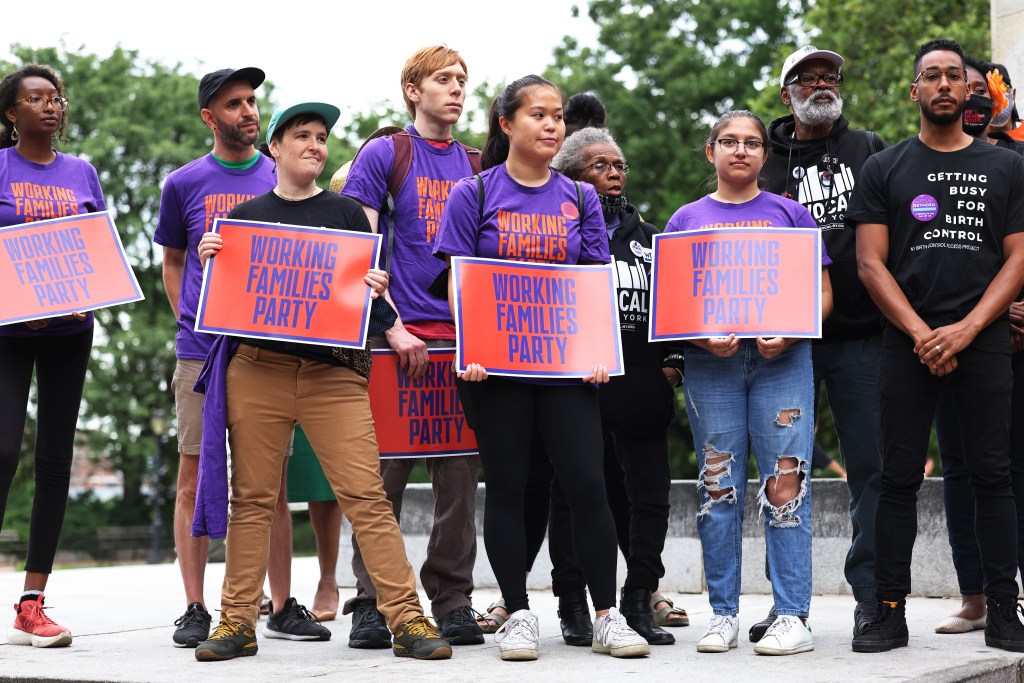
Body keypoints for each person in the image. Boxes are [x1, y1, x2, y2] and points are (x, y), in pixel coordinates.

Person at [191, 101, 451, 662]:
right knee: (253, 499)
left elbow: (363, 304)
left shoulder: (347, 216)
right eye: (302, 135)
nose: (314, 144)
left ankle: (406, 617)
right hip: (258, 370)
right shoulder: (242, 217)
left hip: (333, 375)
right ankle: (235, 622)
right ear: (276, 149)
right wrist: (213, 260)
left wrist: (378, 294)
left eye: (322, 137)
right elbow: (220, 305)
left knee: (366, 496)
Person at [432, 74, 649, 662]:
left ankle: (608, 615)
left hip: (565, 370)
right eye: (538, 115)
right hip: (494, 373)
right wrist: (468, 350)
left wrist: (600, 353)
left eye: (557, 116)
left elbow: (593, 286)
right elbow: (458, 283)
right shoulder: (472, 195)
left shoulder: (579, 198)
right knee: (506, 487)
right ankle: (517, 612)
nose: (552, 124)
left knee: (587, 484)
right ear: (507, 125)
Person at [848, 39, 1024, 654]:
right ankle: (887, 612)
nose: (946, 84)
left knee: (993, 476)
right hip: (907, 345)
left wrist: (969, 329)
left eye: (955, 75)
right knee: (897, 477)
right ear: (915, 90)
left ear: (970, 90)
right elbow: (871, 265)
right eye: (933, 76)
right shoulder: (885, 167)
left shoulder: (1007, 166)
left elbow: (1019, 257)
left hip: (982, 340)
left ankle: (1004, 609)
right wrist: (924, 334)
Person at [154, 67, 325, 647]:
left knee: (270, 484)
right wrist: (194, 318)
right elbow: (174, 263)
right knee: (193, 477)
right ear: (210, 116)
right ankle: (196, 606)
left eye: (253, 101)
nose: (249, 111)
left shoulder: (281, 175)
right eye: (234, 104)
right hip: (199, 355)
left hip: (268, 356)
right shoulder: (183, 183)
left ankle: (280, 604)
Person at [666, 109, 833, 656]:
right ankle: (723, 614)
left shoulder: (791, 214)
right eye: (729, 141)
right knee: (717, 488)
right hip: (712, 367)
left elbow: (823, 293)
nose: (741, 150)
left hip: (782, 362)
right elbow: (670, 306)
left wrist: (789, 333)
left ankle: (792, 615)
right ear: (710, 150)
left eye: (752, 143)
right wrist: (699, 336)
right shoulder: (686, 220)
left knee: (788, 484)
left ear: (766, 154)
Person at [338, 45, 484, 648]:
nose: (455, 89)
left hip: (462, 345)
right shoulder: (386, 152)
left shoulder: (480, 163)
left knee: (458, 487)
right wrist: (390, 326)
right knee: (382, 481)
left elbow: (488, 259)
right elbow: (359, 248)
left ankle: (452, 601)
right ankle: (372, 603)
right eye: (442, 79)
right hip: (393, 341)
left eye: (462, 81)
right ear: (412, 90)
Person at [761, 45, 887, 639]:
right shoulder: (760, 157)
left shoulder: (870, 149)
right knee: (783, 469)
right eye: (806, 78)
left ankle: (874, 599)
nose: (821, 84)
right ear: (785, 92)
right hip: (785, 342)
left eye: (830, 75)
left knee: (873, 467)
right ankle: (786, 604)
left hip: (864, 335)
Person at [547, 125, 685, 646]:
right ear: (571, 177)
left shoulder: (651, 238)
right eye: (600, 165)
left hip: (643, 382)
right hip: (577, 384)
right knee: (575, 496)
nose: (614, 173)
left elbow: (677, 305)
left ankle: (639, 597)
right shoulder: (558, 237)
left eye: (619, 165)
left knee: (651, 496)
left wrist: (675, 359)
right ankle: (573, 605)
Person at [0, 63, 106, 649]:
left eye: (56, 97)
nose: (50, 105)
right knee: (2, 448)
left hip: (69, 331)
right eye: (35, 98)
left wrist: (86, 294)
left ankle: (32, 603)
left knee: (55, 462)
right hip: (8, 333)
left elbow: (98, 249)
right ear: (12, 113)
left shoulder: (82, 172)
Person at [932, 54, 1024, 636]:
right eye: (963, 89)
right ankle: (977, 596)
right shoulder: (930, 161)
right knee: (963, 470)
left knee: (1011, 469)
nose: (974, 100)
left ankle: (1011, 597)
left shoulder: (1017, 160)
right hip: (955, 341)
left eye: (986, 92)